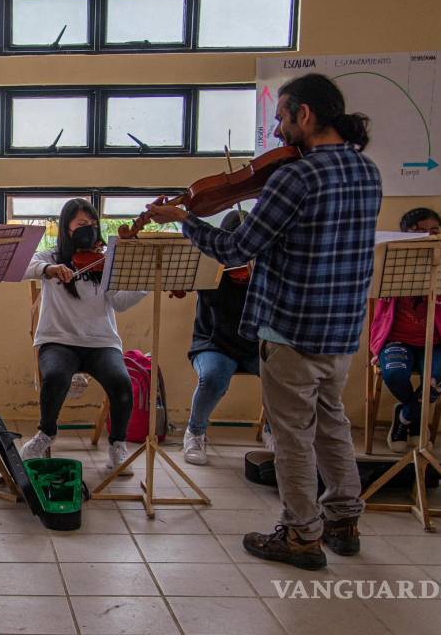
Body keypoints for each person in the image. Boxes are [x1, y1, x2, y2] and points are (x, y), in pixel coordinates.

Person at [146, 73, 380, 570]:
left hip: (291, 326)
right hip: (341, 330)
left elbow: (235, 248)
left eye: (281, 117)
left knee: (292, 432)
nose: (276, 131)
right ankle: (343, 518)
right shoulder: (367, 171)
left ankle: (300, 534)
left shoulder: (297, 176)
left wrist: (186, 221)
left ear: (306, 115)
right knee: (332, 421)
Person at [18, 198, 148, 474]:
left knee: (121, 384)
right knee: (54, 376)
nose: (88, 229)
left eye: (92, 224)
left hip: (101, 343)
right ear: (66, 228)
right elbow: (22, 267)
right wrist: (48, 270)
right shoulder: (51, 257)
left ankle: (117, 445)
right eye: (81, 224)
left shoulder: (105, 262)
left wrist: (147, 284)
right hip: (58, 341)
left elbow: (120, 302)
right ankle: (46, 433)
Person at [372, 207, 441, 453]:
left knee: (437, 378)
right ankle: (415, 419)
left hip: (438, 342)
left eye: (434, 231)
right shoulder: (391, 259)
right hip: (397, 340)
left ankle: (406, 418)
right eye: (420, 232)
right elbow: (370, 287)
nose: (429, 237)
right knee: (394, 374)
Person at [176, 211, 264, 465]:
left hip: (254, 344)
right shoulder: (209, 267)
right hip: (214, 343)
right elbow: (183, 280)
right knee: (214, 378)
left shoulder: (263, 269)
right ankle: (195, 432)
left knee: (282, 375)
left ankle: (272, 431)